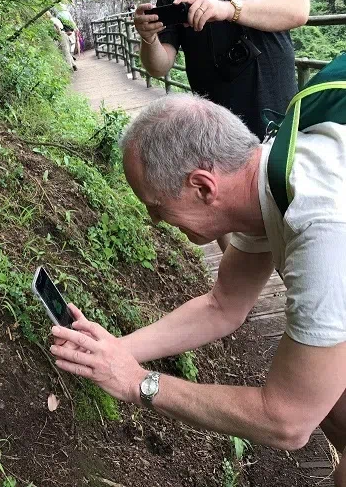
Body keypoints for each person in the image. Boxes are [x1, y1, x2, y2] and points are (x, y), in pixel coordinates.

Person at [50, 94, 346, 486]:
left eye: (156, 206)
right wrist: (116, 352)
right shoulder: (272, 177)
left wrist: (139, 382)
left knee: (312, 395)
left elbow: (287, 420)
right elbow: (222, 305)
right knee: (328, 394)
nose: (154, 222)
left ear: (203, 187)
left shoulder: (323, 231)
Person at [133, 0, 310, 252]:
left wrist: (227, 9)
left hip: (274, 117)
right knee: (228, 223)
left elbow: (298, 9)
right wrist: (148, 39)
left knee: (293, 217)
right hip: (215, 135)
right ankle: (237, 288)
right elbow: (160, 65)